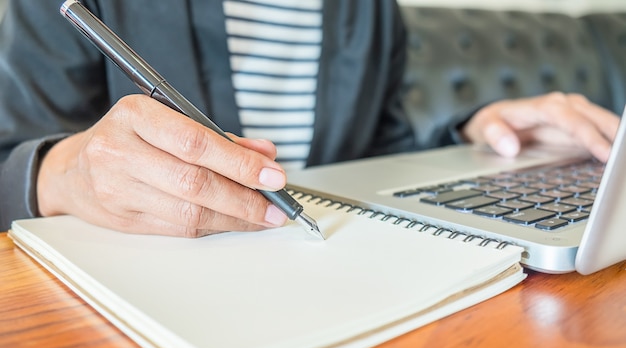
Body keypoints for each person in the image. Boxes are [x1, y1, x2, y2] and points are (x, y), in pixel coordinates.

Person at [0, 1, 619, 236]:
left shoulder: (369, 10)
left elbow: (371, 142)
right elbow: (10, 158)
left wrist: (476, 125)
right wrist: (62, 174)